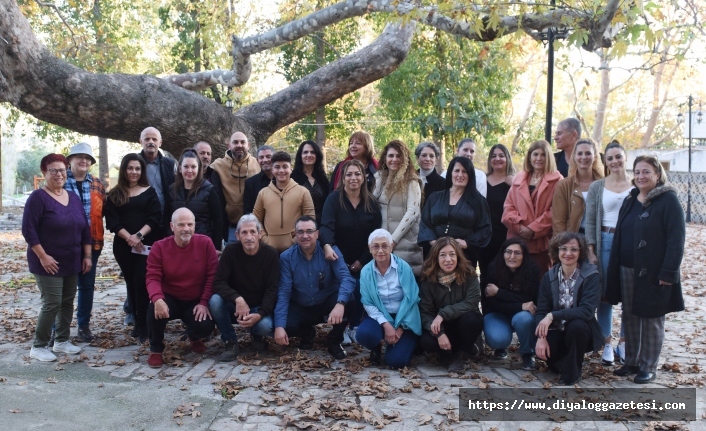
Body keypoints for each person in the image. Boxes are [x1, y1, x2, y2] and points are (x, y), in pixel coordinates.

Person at [605, 155, 685, 384]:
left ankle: (648, 366)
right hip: (626, 268)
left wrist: (669, 272)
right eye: (637, 172)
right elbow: (621, 234)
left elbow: (676, 239)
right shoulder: (630, 199)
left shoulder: (668, 200)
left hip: (654, 271)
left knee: (651, 318)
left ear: (657, 175)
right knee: (629, 316)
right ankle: (631, 361)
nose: (641, 176)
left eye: (646, 172)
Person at [23, 154, 92, 362]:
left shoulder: (72, 197)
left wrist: (87, 255)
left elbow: (85, 229)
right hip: (47, 263)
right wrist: (43, 257)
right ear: (44, 173)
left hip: (71, 260)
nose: (59, 174)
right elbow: (29, 231)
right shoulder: (38, 198)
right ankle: (39, 345)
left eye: (62, 170)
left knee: (67, 302)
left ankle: (61, 341)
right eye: (53, 170)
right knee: (52, 303)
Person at [274, 216, 356, 359]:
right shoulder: (286, 257)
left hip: (326, 302)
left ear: (317, 234)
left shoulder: (331, 251)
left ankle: (334, 340)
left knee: (349, 300)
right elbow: (284, 292)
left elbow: (346, 278)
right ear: (295, 234)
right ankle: (306, 332)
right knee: (281, 323)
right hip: (301, 305)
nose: (305, 236)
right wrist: (279, 327)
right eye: (300, 232)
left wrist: (340, 303)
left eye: (309, 231)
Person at [144, 208, 218, 368]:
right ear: (172, 226)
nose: (186, 228)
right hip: (170, 297)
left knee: (205, 326)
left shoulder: (205, 243)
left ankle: (194, 336)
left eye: (190, 224)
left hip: (195, 299)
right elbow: (152, 277)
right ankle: (156, 348)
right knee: (153, 311)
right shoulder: (159, 247)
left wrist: (204, 302)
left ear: (195, 226)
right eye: (181, 224)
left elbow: (213, 276)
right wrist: (157, 298)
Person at [320, 159, 382, 343]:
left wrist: (361, 261)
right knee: (346, 289)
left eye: (357, 174)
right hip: (337, 257)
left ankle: (355, 326)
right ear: (343, 178)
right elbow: (326, 227)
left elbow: (374, 236)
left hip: (363, 258)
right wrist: (328, 246)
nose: (353, 178)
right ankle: (342, 327)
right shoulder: (334, 199)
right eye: (349, 174)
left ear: (363, 177)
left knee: (360, 289)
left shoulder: (371, 202)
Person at [104, 154, 162, 343]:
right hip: (123, 246)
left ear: (142, 171)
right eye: (130, 168)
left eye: (137, 168)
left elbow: (154, 218)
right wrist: (128, 237)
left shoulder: (149, 191)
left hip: (144, 246)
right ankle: (136, 321)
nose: (134, 172)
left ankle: (145, 324)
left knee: (141, 281)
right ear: (124, 170)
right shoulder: (114, 194)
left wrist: (138, 236)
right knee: (130, 282)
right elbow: (112, 221)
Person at [585, 142, 633, 365]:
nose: (615, 162)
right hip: (604, 240)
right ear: (605, 162)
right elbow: (590, 220)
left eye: (618, 157)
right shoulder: (597, 187)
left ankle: (624, 342)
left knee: (627, 296)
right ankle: (606, 344)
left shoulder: (636, 185)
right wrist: (591, 250)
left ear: (625, 158)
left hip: (629, 243)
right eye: (610, 158)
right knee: (604, 297)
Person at [534, 232, 603, 385]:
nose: (568, 253)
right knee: (547, 352)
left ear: (581, 252)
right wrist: (541, 338)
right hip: (556, 329)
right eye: (563, 248)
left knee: (576, 326)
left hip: (580, 329)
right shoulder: (549, 276)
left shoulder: (591, 276)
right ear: (557, 251)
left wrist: (552, 315)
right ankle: (566, 363)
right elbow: (541, 310)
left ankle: (572, 373)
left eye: (574, 249)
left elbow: (586, 311)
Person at [209, 214, 279, 361]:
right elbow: (218, 282)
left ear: (260, 234)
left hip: (258, 307)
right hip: (235, 306)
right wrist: (238, 299)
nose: (249, 237)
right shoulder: (230, 252)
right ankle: (230, 341)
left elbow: (272, 291)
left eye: (253, 232)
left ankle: (257, 336)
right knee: (215, 301)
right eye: (244, 232)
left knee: (265, 326)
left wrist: (260, 314)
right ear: (237, 235)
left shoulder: (271, 255)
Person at [357, 229, 421, 369]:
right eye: (376, 246)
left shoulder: (403, 267)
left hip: (404, 319)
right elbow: (367, 303)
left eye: (385, 246)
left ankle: (407, 343)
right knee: (364, 335)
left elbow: (411, 300)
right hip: (380, 316)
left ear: (391, 246)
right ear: (370, 248)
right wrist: (386, 325)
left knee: (396, 362)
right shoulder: (366, 272)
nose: (380, 250)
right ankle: (376, 346)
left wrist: (399, 329)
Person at [419, 237, 483, 373]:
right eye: (443, 255)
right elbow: (426, 312)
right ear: (436, 258)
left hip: (464, 322)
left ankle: (462, 354)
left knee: (471, 319)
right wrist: (439, 334)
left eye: (452, 254)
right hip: (442, 325)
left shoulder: (469, 274)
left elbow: (471, 302)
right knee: (426, 342)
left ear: (458, 256)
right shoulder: (428, 280)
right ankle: (452, 350)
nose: (448, 259)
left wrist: (443, 314)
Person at [63, 142, 106, 342]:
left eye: (87, 158)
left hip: (93, 242)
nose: (83, 160)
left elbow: (105, 211)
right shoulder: (60, 181)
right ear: (69, 160)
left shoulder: (97, 183)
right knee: (64, 287)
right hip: (65, 245)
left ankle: (84, 326)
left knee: (87, 286)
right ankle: (59, 327)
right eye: (79, 157)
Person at [502, 140, 563, 275]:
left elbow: (556, 211)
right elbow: (508, 207)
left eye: (543, 155)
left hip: (540, 244)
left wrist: (532, 229)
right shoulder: (519, 178)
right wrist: (519, 227)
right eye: (535, 154)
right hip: (516, 241)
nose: (539, 158)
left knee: (539, 282)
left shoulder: (558, 180)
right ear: (529, 156)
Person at [418, 157, 492, 266]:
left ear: (470, 175)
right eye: (456, 171)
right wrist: (435, 243)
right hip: (435, 254)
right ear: (450, 173)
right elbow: (425, 223)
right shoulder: (435, 197)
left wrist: (466, 243)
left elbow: (485, 229)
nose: (460, 175)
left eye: (465, 171)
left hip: (464, 256)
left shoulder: (478, 201)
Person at [482, 238, 541, 370]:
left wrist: (499, 293)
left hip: (521, 315)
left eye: (517, 253)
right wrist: (520, 304)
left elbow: (531, 300)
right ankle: (500, 347)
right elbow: (491, 303)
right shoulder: (493, 268)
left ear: (524, 255)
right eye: (508, 252)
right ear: (502, 253)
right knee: (498, 339)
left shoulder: (532, 269)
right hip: (497, 313)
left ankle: (527, 353)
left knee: (525, 319)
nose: (512, 256)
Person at [372, 140, 424, 275]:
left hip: (404, 244)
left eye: (398, 156)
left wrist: (392, 240)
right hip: (382, 245)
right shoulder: (378, 179)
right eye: (391, 156)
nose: (394, 159)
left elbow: (412, 213)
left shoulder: (411, 181)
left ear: (405, 159)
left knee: (406, 287)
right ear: (385, 158)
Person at [253, 151, 315, 253]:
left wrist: (296, 239)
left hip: (296, 249)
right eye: (277, 167)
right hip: (269, 250)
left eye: (285, 166)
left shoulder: (303, 192)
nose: (281, 170)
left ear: (291, 169)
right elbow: (256, 219)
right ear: (272, 170)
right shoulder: (263, 193)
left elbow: (310, 219)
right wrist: (264, 238)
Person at [165, 149, 223, 251]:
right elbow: (166, 218)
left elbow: (218, 220)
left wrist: (216, 247)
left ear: (199, 168)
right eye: (186, 166)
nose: (189, 170)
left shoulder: (209, 190)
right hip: (177, 243)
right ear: (180, 168)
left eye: (193, 167)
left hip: (202, 243)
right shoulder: (172, 190)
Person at [210, 131, 261, 243]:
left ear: (248, 145)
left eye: (243, 142)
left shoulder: (257, 164)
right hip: (231, 227)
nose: (239, 145)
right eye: (235, 142)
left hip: (254, 226)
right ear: (229, 146)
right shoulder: (218, 165)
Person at [478, 144, 515, 288]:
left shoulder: (514, 182)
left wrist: (515, 186)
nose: (497, 159)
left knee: (505, 275)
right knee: (485, 276)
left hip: (505, 237)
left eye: (501, 155)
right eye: (493, 156)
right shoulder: (482, 180)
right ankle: (487, 309)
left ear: (507, 158)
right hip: (484, 237)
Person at [552, 138, 604, 235]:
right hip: (572, 238)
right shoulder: (564, 185)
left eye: (588, 153)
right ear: (574, 157)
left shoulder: (604, 184)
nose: (584, 157)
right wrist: (564, 244)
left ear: (595, 156)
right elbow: (558, 222)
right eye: (580, 153)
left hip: (599, 238)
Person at [138, 127, 175, 233]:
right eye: (147, 139)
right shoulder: (134, 163)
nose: (151, 142)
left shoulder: (170, 164)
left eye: (154, 139)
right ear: (141, 141)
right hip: (141, 223)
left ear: (160, 142)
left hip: (165, 222)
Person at [291, 140, 330, 225]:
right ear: (300, 156)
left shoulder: (322, 178)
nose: (309, 155)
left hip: (321, 225)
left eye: (312, 152)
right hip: (299, 225)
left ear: (317, 156)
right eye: (305, 152)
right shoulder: (293, 178)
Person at [243, 145, 275, 215]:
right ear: (257, 160)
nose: (265, 160)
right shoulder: (250, 183)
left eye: (268, 156)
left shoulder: (285, 180)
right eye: (261, 157)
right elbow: (248, 211)